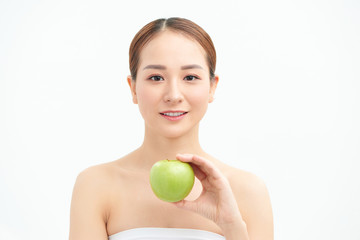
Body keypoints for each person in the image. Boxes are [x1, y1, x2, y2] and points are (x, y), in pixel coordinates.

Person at [69, 17, 273, 240]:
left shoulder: (248, 191)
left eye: (190, 77)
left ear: (212, 87)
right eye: (156, 77)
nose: (173, 95)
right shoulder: (95, 185)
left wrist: (232, 226)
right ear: (133, 88)